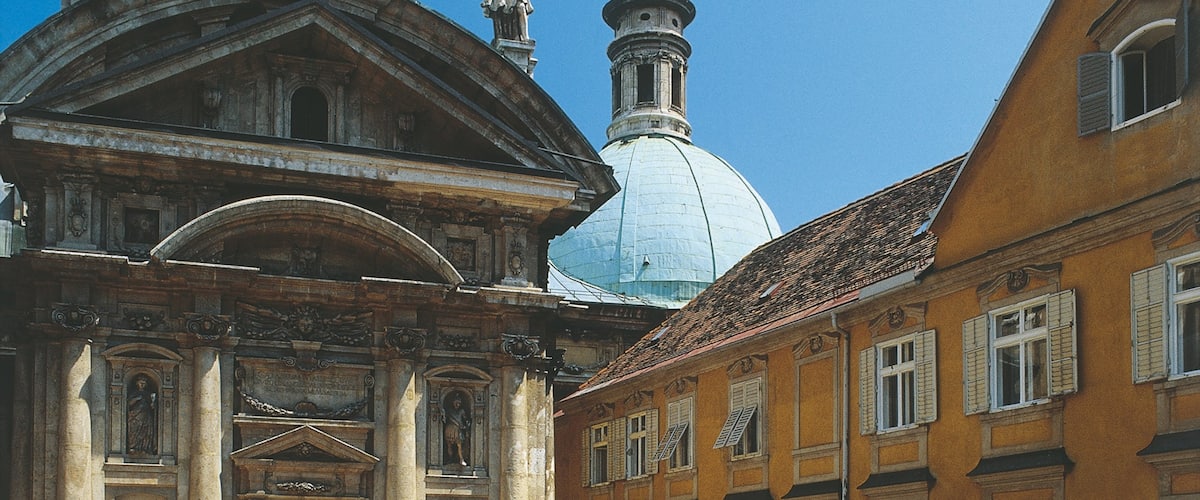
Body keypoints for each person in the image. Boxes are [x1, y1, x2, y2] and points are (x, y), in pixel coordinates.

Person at [126, 374, 157, 455]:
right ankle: (133, 447)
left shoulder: (148, 394)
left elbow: (152, 407)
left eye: (144, 383)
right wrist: (137, 399)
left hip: (146, 416)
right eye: (141, 383)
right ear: (137, 383)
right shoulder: (134, 393)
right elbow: (129, 404)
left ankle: (145, 448)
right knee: (134, 430)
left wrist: (153, 404)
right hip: (135, 416)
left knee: (146, 431)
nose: (142, 385)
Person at [443, 393, 470, 466]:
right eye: (456, 403)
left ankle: (461, 459)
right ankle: (450, 458)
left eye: (459, 403)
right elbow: (445, 419)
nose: (457, 405)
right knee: (449, 445)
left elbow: (465, 419)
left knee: (459, 445)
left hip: (458, 429)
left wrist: (467, 423)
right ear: (453, 403)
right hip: (450, 428)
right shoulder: (449, 411)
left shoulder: (461, 411)